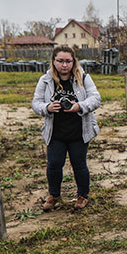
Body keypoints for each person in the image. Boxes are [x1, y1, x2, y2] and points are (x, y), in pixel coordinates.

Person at [31, 45, 102, 211]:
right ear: (54, 61)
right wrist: (47, 107)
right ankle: (54, 195)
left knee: (79, 165)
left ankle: (82, 196)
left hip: (79, 131)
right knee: (54, 164)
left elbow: (96, 98)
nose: (64, 65)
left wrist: (79, 106)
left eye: (68, 61)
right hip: (56, 133)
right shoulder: (45, 80)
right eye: (60, 61)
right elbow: (36, 103)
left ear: (74, 61)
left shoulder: (83, 78)